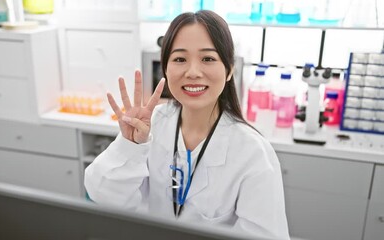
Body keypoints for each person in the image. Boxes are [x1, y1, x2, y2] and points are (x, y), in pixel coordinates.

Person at [85, 10, 290, 240]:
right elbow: (102, 195)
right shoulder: (150, 125)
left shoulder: (252, 152)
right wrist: (130, 146)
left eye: (208, 59)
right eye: (180, 59)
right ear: (165, 68)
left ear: (230, 69)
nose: (193, 72)